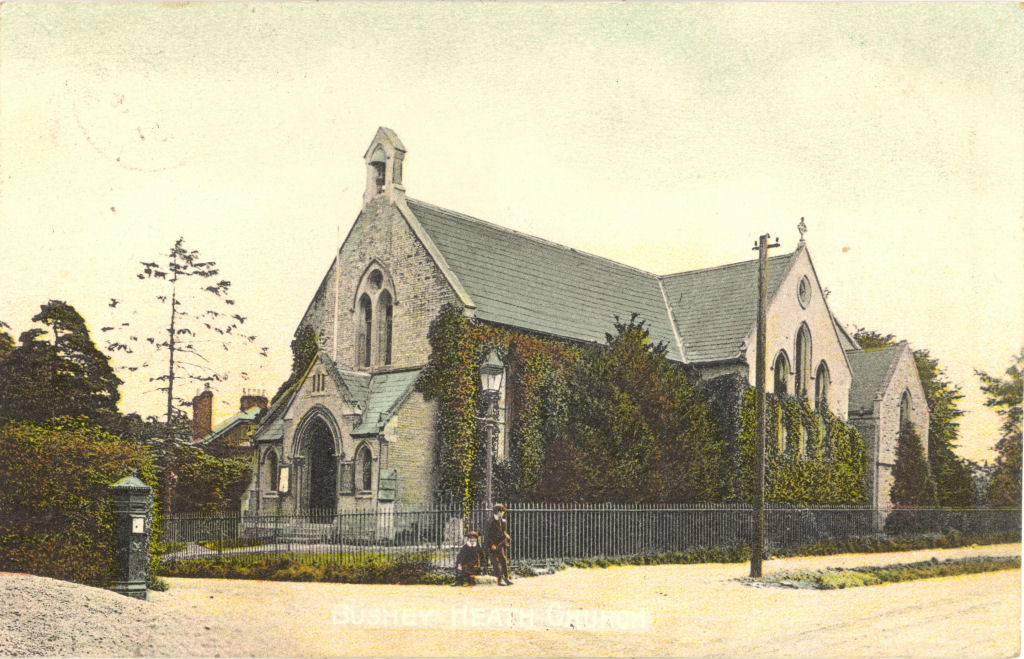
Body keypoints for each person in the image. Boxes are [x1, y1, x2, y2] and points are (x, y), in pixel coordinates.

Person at [485, 503, 512, 586]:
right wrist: (491, 544)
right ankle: (499, 579)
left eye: (503, 512)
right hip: (492, 545)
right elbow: (487, 534)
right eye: (501, 511)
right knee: (495, 563)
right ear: (497, 511)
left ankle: (506, 578)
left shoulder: (503, 521)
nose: (503, 513)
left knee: (503, 560)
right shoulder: (490, 521)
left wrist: (507, 536)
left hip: (500, 545)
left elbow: (504, 532)